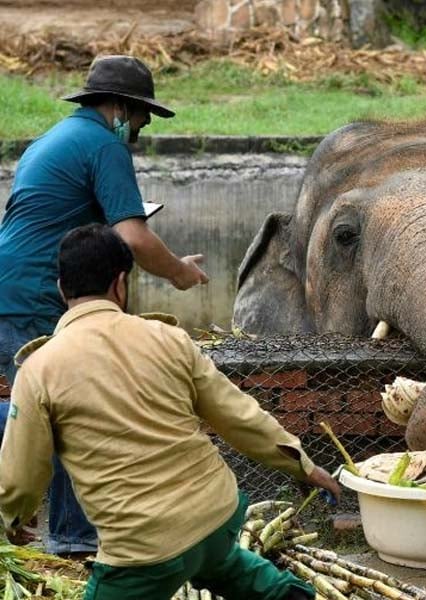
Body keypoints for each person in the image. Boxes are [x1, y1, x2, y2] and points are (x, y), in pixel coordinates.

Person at [0, 224, 341, 600]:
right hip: (216, 515)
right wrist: (304, 465)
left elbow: (22, 475)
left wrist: (14, 518)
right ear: (120, 283)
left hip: (143, 550)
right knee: (224, 564)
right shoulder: (170, 339)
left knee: (176, 565)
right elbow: (239, 415)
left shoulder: (39, 369)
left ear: (62, 288)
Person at [0, 55, 208, 556]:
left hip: (12, 283)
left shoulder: (54, 139)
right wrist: (180, 271)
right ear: (119, 109)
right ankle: (74, 541)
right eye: (139, 119)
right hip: (35, 293)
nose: (138, 130)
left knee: (36, 407)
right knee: (63, 409)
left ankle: (58, 530)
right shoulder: (102, 145)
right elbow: (134, 237)